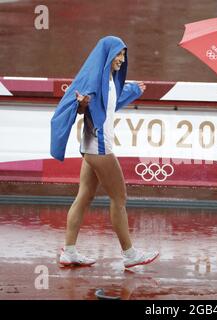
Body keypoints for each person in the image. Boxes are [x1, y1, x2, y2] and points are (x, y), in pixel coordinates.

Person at [50, 36, 159, 269]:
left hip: (90, 147)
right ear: (107, 55)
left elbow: (110, 102)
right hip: (100, 147)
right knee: (119, 198)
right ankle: (130, 254)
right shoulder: (94, 79)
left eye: (123, 55)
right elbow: (83, 103)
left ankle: (69, 251)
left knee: (85, 196)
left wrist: (132, 90)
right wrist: (81, 104)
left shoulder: (108, 79)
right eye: (118, 54)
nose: (121, 59)